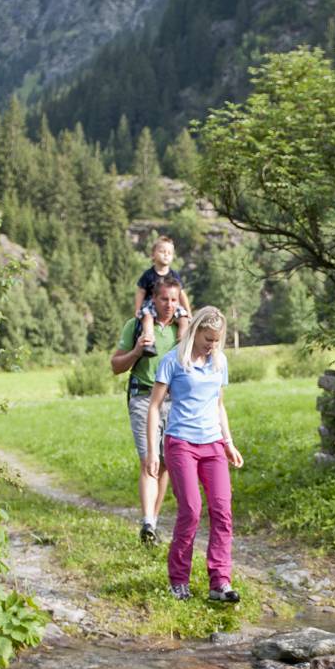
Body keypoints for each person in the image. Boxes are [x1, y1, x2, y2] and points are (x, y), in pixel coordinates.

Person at [145, 306, 243, 602]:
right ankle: (178, 581)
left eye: (216, 340)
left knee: (222, 510)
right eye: (207, 339)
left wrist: (228, 442)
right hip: (181, 443)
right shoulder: (172, 361)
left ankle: (219, 583)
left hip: (212, 444)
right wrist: (153, 451)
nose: (211, 345)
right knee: (191, 510)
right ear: (196, 331)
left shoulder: (219, 362)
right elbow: (153, 407)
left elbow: (218, 404)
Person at [112, 275, 183, 544]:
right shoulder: (137, 326)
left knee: (164, 463)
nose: (169, 304)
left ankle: (151, 525)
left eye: (174, 300)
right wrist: (136, 353)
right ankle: (147, 520)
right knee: (148, 460)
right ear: (154, 299)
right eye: (164, 299)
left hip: (173, 401)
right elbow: (116, 366)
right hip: (142, 398)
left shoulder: (181, 329)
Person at [136, 236, 192, 356]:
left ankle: (182, 341)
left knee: (183, 318)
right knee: (147, 317)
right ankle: (149, 342)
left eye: (169, 253)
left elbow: (181, 294)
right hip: (151, 304)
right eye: (162, 252)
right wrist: (137, 308)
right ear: (153, 255)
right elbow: (141, 292)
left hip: (172, 305)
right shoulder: (148, 275)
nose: (166, 255)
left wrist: (188, 311)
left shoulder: (174, 275)